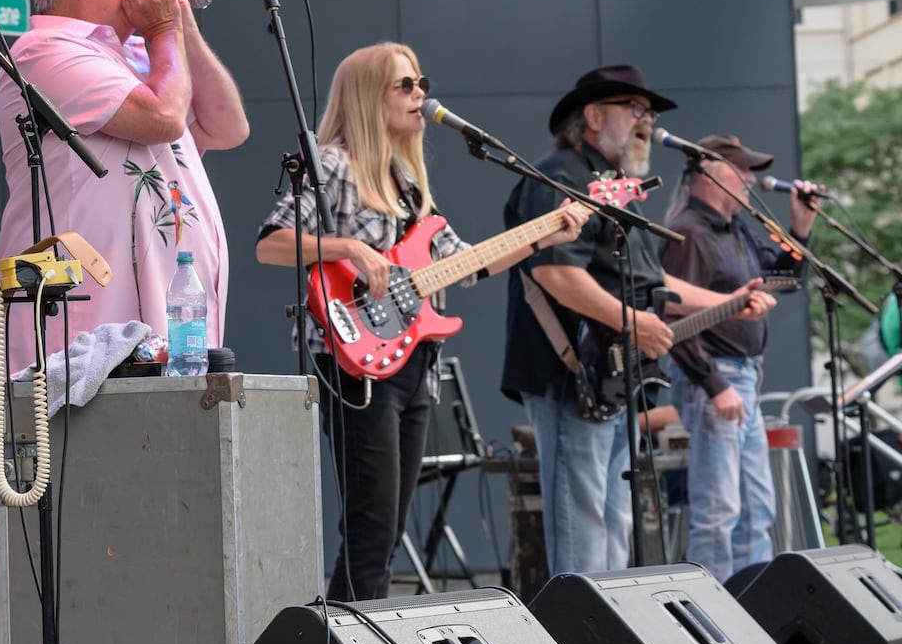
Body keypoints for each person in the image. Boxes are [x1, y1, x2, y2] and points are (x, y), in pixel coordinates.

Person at [254, 43, 590, 601]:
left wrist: (546, 233)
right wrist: (350, 249)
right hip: (354, 362)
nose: (420, 95)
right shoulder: (331, 165)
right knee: (371, 530)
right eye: (406, 85)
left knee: (387, 535)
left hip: (413, 365)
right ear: (369, 97)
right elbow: (271, 244)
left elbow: (467, 263)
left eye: (422, 84)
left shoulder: (406, 181)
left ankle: (351, 641)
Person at [500, 64, 775, 576]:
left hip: (610, 377)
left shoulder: (616, 186)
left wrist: (731, 300)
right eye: (635, 109)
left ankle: (602, 622)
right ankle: (579, 625)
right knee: (583, 526)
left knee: (614, 520)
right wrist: (633, 323)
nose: (646, 121)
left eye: (649, 113)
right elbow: (555, 273)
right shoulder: (560, 175)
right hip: (570, 373)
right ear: (593, 116)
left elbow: (655, 284)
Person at [0, 0, 249, 375]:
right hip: (88, 332)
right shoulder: (44, 51)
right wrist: (164, 30)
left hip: (171, 328)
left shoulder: (144, 57)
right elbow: (163, 118)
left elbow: (228, 127)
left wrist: (181, 28)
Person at [660, 134, 815, 583]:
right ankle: (715, 611)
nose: (750, 178)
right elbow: (671, 316)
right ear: (711, 172)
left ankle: (753, 604)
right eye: (742, 169)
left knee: (756, 506)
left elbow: (782, 278)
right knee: (719, 509)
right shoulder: (688, 232)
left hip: (742, 377)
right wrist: (715, 384)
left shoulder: (735, 229)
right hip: (717, 378)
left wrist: (800, 229)